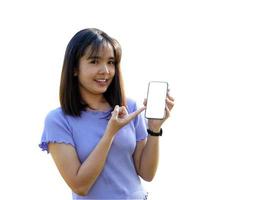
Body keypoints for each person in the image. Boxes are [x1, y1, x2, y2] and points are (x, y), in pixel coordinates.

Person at [39, 28, 175, 200]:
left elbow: (147, 174)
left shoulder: (129, 107)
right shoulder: (58, 120)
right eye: (94, 61)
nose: (106, 70)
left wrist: (154, 129)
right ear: (74, 68)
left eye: (111, 62)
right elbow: (80, 186)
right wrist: (110, 133)